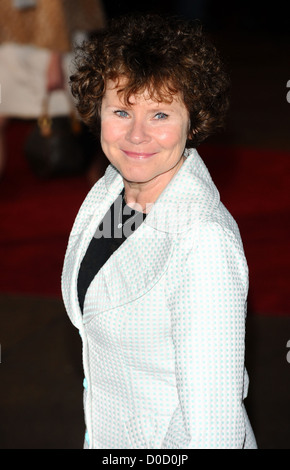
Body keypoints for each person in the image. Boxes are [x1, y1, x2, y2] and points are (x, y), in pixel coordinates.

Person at [61, 14, 257, 449]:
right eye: (121, 111)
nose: (137, 135)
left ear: (194, 120)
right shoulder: (114, 193)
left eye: (160, 113)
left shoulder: (203, 242)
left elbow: (213, 431)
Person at [0, 0, 106, 175]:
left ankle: (103, 179)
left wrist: (55, 60)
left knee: (90, 115)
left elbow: (58, 8)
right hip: (12, 41)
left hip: (56, 42)